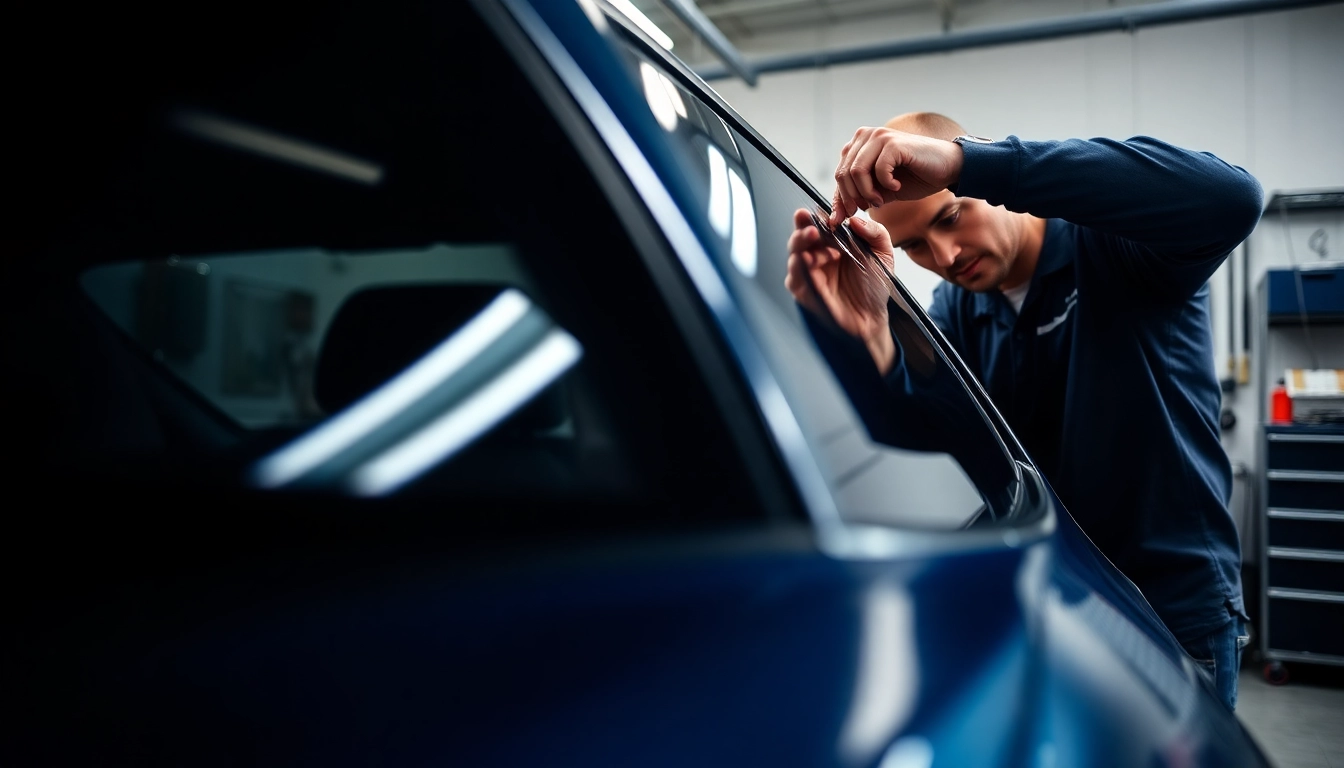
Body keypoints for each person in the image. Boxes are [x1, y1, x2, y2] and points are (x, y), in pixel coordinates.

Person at [785, 112, 1262, 711]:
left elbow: (1233, 199)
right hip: (1059, 601)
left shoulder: (1115, 247)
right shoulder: (960, 312)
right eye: (914, 246)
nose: (946, 255)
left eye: (951, 215)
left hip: (1170, 613)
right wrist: (870, 339)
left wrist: (971, 163)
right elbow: (918, 428)